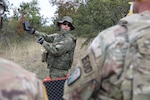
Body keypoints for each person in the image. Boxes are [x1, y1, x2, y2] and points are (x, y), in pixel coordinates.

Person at [63, 0, 150, 100]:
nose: (66, 26)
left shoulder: (110, 39)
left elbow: (73, 94)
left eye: (68, 25)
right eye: (64, 24)